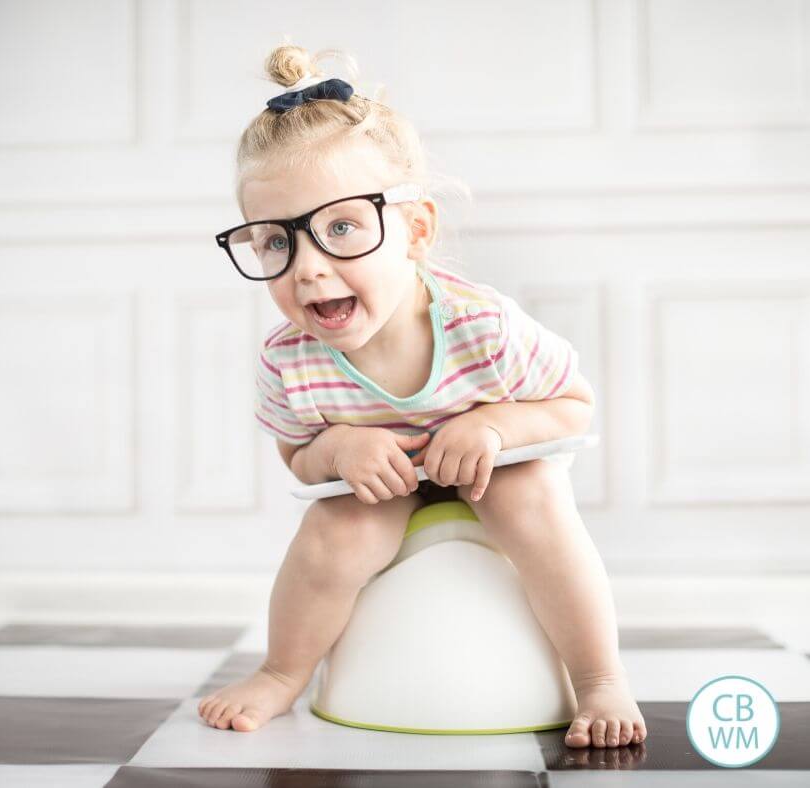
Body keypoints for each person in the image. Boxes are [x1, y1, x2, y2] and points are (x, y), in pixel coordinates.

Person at [199, 44, 647, 749]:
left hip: (493, 472)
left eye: (341, 227)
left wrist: (496, 428)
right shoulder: (290, 360)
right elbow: (297, 455)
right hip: (383, 491)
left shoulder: (485, 327)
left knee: (531, 497)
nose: (309, 270)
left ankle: (598, 678)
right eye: (274, 244)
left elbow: (574, 405)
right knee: (333, 534)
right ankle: (283, 671)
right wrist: (339, 449)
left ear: (415, 231)